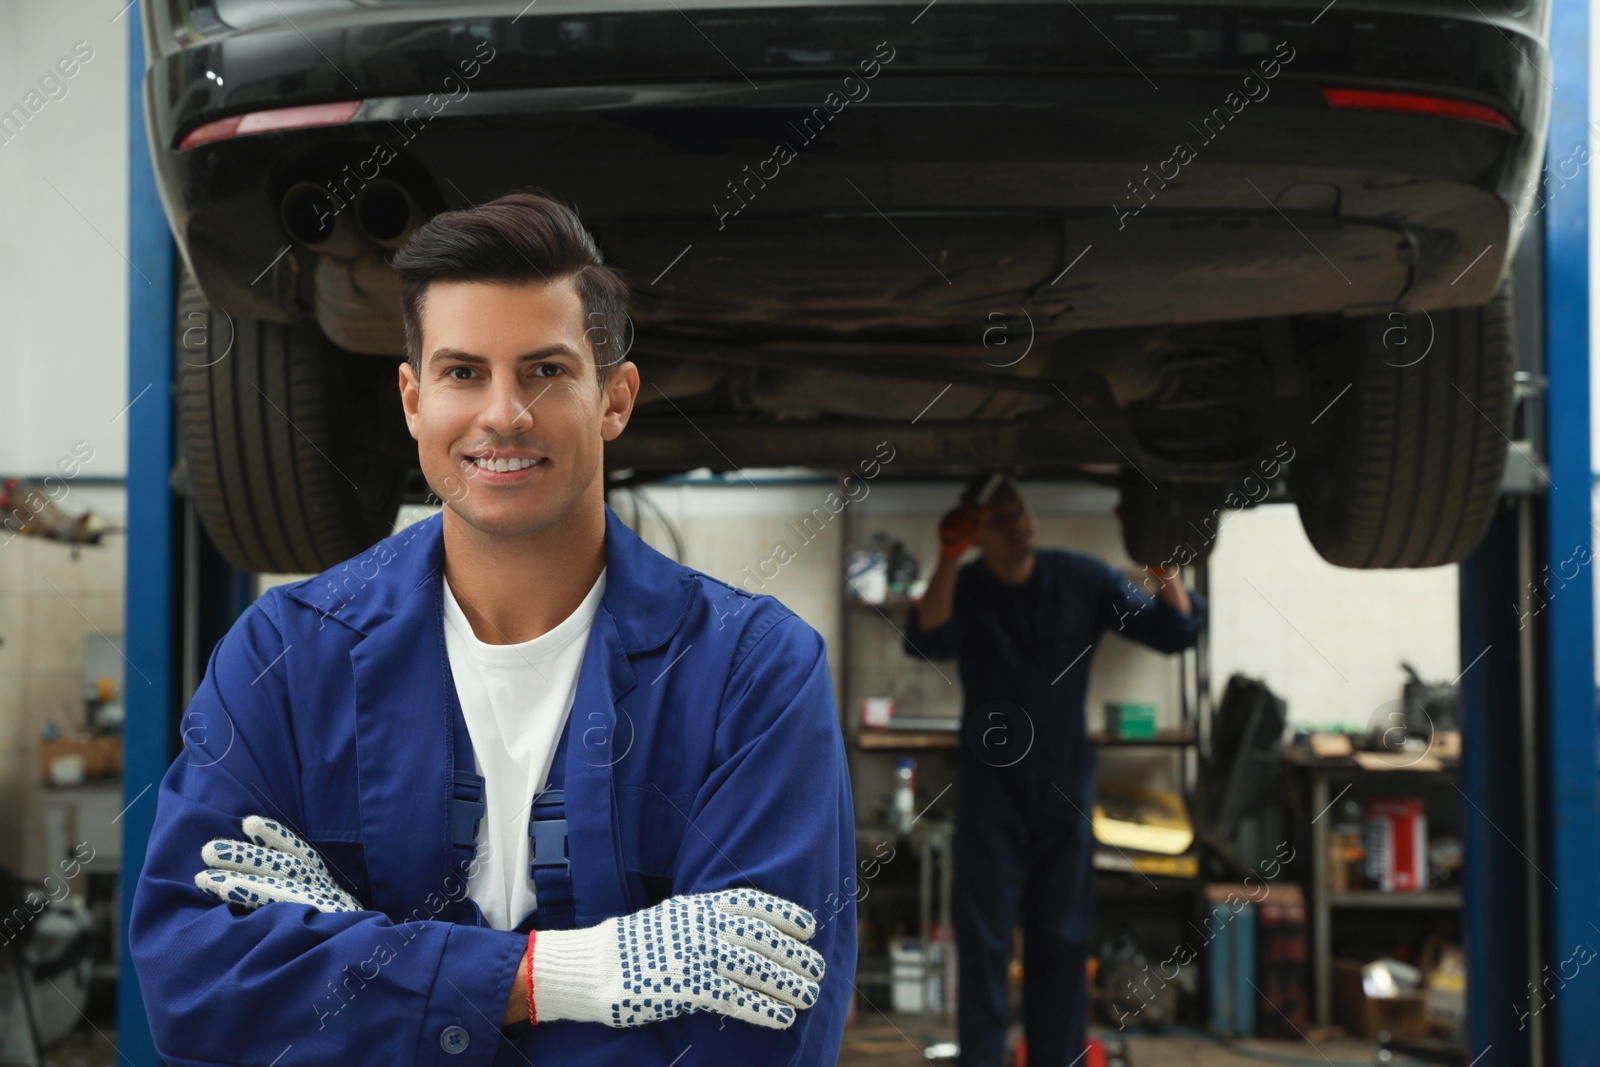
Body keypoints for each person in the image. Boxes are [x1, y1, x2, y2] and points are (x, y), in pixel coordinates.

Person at [129, 190, 856, 1066]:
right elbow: (199, 991)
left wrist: (367, 972)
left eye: (546, 370)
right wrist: (562, 974)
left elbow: (762, 1028)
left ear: (615, 398)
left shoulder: (754, 673)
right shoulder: (284, 657)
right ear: (412, 399)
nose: (504, 414)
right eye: (463, 372)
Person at [902, 474, 1206, 1066]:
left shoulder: (1081, 578)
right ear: (977, 536)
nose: (1017, 524)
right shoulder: (966, 586)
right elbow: (926, 639)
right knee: (985, 942)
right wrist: (945, 557)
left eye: (1019, 511)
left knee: (1062, 941)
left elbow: (1174, 631)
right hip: (990, 791)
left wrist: (1163, 567)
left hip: (1063, 787)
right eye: (999, 518)